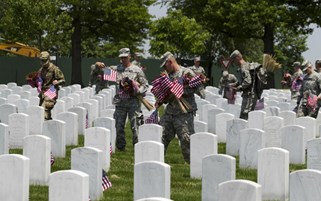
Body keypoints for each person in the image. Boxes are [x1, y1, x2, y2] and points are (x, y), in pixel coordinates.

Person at [157, 51, 200, 164]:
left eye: (165, 65)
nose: (165, 69)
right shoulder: (168, 76)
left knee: (186, 140)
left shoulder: (186, 72)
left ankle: (193, 166)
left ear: (170, 62)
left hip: (184, 113)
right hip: (170, 112)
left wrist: (179, 90)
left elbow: (195, 87)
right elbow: (165, 96)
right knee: (161, 136)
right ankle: (156, 161)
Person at [110, 48, 148, 151]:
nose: (123, 60)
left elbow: (145, 84)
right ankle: (121, 147)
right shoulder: (115, 69)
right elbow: (99, 70)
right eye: (121, 58)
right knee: (119, 126)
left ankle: (137, 147)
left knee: (136, 125)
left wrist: (138, 91)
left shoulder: (137, 70)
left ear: (129, 57)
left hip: (133, 102)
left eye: (125, 57)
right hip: (120, 102)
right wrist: (98, 65)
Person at [229, 50, 260, 120]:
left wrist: (238, 88)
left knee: (245, 116)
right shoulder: (245, 66)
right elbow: (243, 80)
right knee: (245, 115)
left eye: (233, 60)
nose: (233, 63)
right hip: (249, 95)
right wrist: (234, 85)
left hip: (249, 96)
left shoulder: (244, 67)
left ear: (237, 58)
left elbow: (248, 81)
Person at [38, 51, 65, 120]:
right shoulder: (41, 70)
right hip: (43, 91)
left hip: (51, 90)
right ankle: (48, 125)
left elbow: (62, 80)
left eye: (44, 60)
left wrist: (57, 82)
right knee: (40, 110)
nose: (43, 62)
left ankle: (47, 123)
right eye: (42, 60)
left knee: (45, 108)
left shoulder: (54, 69)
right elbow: (40, 80)